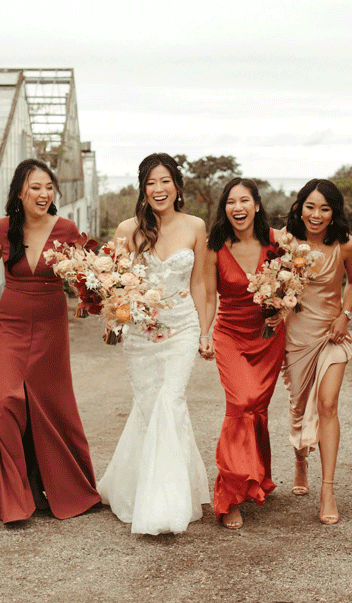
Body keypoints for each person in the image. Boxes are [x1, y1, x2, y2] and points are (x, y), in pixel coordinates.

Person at [0, 159, 101, 522]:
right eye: (36, 187)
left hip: (51, 325)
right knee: (6, 402)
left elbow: (85, 277)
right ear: (19, 191)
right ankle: (14, 494)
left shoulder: (66, 229)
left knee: (50, 404)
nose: (44, 194)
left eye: (49, 187)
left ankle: (47, 485)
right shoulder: (2, 229)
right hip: (10, 325)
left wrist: (102, 292)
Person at [97, 153, 211, 534]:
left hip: (181, 327)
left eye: (165, 181)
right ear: (142, 189)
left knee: (171, 400)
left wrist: (205, 330)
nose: (158, 189)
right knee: (149, 406)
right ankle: (136, 486)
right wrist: (114, 319)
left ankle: (166, 503)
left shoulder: (195, 225)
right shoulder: (127, 229)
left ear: (177, 185)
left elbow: (199, 283)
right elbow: (114, 286)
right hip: (141, 334)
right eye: (151, 183)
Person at [201, 178, 286, 530]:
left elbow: (291, 287)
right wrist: (204, 332)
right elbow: (208, 294)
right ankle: (230, 494)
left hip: (269, 337)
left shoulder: (277, 243)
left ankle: (258, 477)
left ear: (256, 205)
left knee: (258, 409)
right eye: (230, 202)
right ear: (225, 209)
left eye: (244, 201)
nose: (237, 208)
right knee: (241, 405)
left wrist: (283, 308)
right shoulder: (214, 246)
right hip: (230, 335)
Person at [280, 179, 352, 525]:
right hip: (295, 337)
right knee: (299, 408)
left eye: (325, 208)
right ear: (300, 208)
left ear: (334, 213)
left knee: (327, 404)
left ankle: (328, 490)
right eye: (310, 206)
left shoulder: (347, 245)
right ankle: (301, 460)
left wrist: (346, 314)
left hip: (332, 335)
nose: (316, 215)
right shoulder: (286, 242)